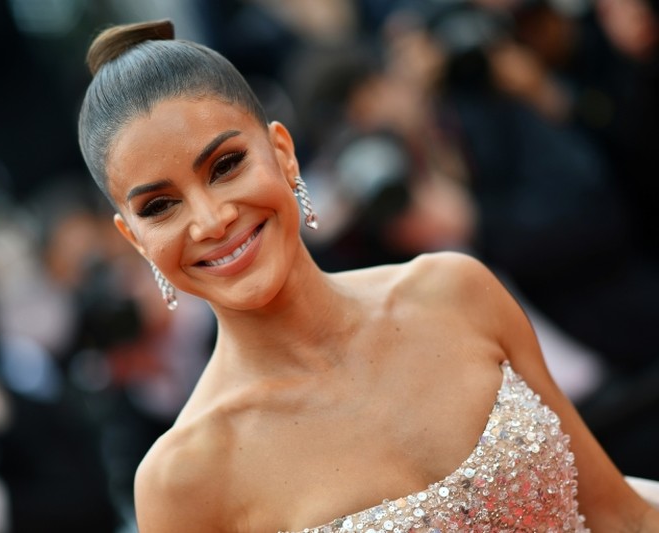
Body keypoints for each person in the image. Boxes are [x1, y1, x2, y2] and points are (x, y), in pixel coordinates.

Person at [77, 19, 659, 532]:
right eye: (159, 206)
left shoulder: (456, 293)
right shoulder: (182, 479)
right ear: (134, 238)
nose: (211, 220)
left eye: (227, 166)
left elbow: (618, 514)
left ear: (282, 153)